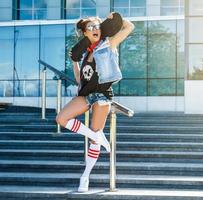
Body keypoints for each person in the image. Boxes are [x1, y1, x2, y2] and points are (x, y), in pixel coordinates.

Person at [56, 12, 134, 192]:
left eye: (97, 26)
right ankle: (96, 136)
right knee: (61, 119)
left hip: (102, 95)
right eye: (90, 27)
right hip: (85, 95)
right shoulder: (85, 55)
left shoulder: (109, 44)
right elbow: (79, 79)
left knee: (94, 138)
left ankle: (85, 176)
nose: (95, 29)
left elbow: (129, 27)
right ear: (85, 33)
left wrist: (116, 17)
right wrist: (74, 61)